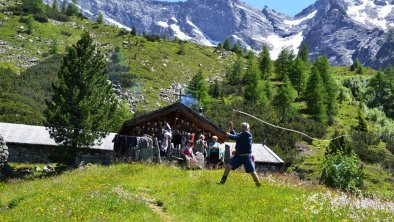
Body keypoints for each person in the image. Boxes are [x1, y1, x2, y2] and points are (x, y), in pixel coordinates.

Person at [219, 122, 261, 187]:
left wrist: (229, 135)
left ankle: (258, 185)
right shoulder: (241, 134)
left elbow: (235, 137)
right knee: (228, 166)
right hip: (238, 156)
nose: (243, 128)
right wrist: (231, 129)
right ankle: (222, 182)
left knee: (252, 171)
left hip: (246, 156)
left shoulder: (247, 134)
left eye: (245, 127)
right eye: (242, 127)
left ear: (248, 128)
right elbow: (236, 135)